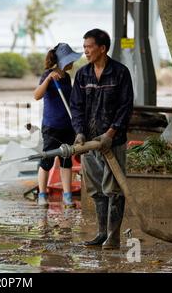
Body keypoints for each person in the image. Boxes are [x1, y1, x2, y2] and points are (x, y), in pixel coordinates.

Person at [70, 29, 134, 249]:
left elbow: (125, 108)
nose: (85, 51)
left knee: (114, 190)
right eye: (84, 47)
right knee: (97, 190)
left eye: (89, 47)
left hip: (112, 143)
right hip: (89, 144)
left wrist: (110, 133)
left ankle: (113, 237)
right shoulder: (82, 75)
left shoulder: (120, 73)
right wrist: (79, 133)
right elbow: (76, 107)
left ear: (102, 48)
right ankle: (101, 233)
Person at [33, 43, 83, 208]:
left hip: (67, 126)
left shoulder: (67, 77)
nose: (73, 63)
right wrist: (48, 80)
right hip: (51, 126)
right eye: (70, 60)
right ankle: (42, 195)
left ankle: (67, 196)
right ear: (62, 61)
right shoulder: (48, 74)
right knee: (46, 161)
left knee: (66, 160)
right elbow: (37, 95)